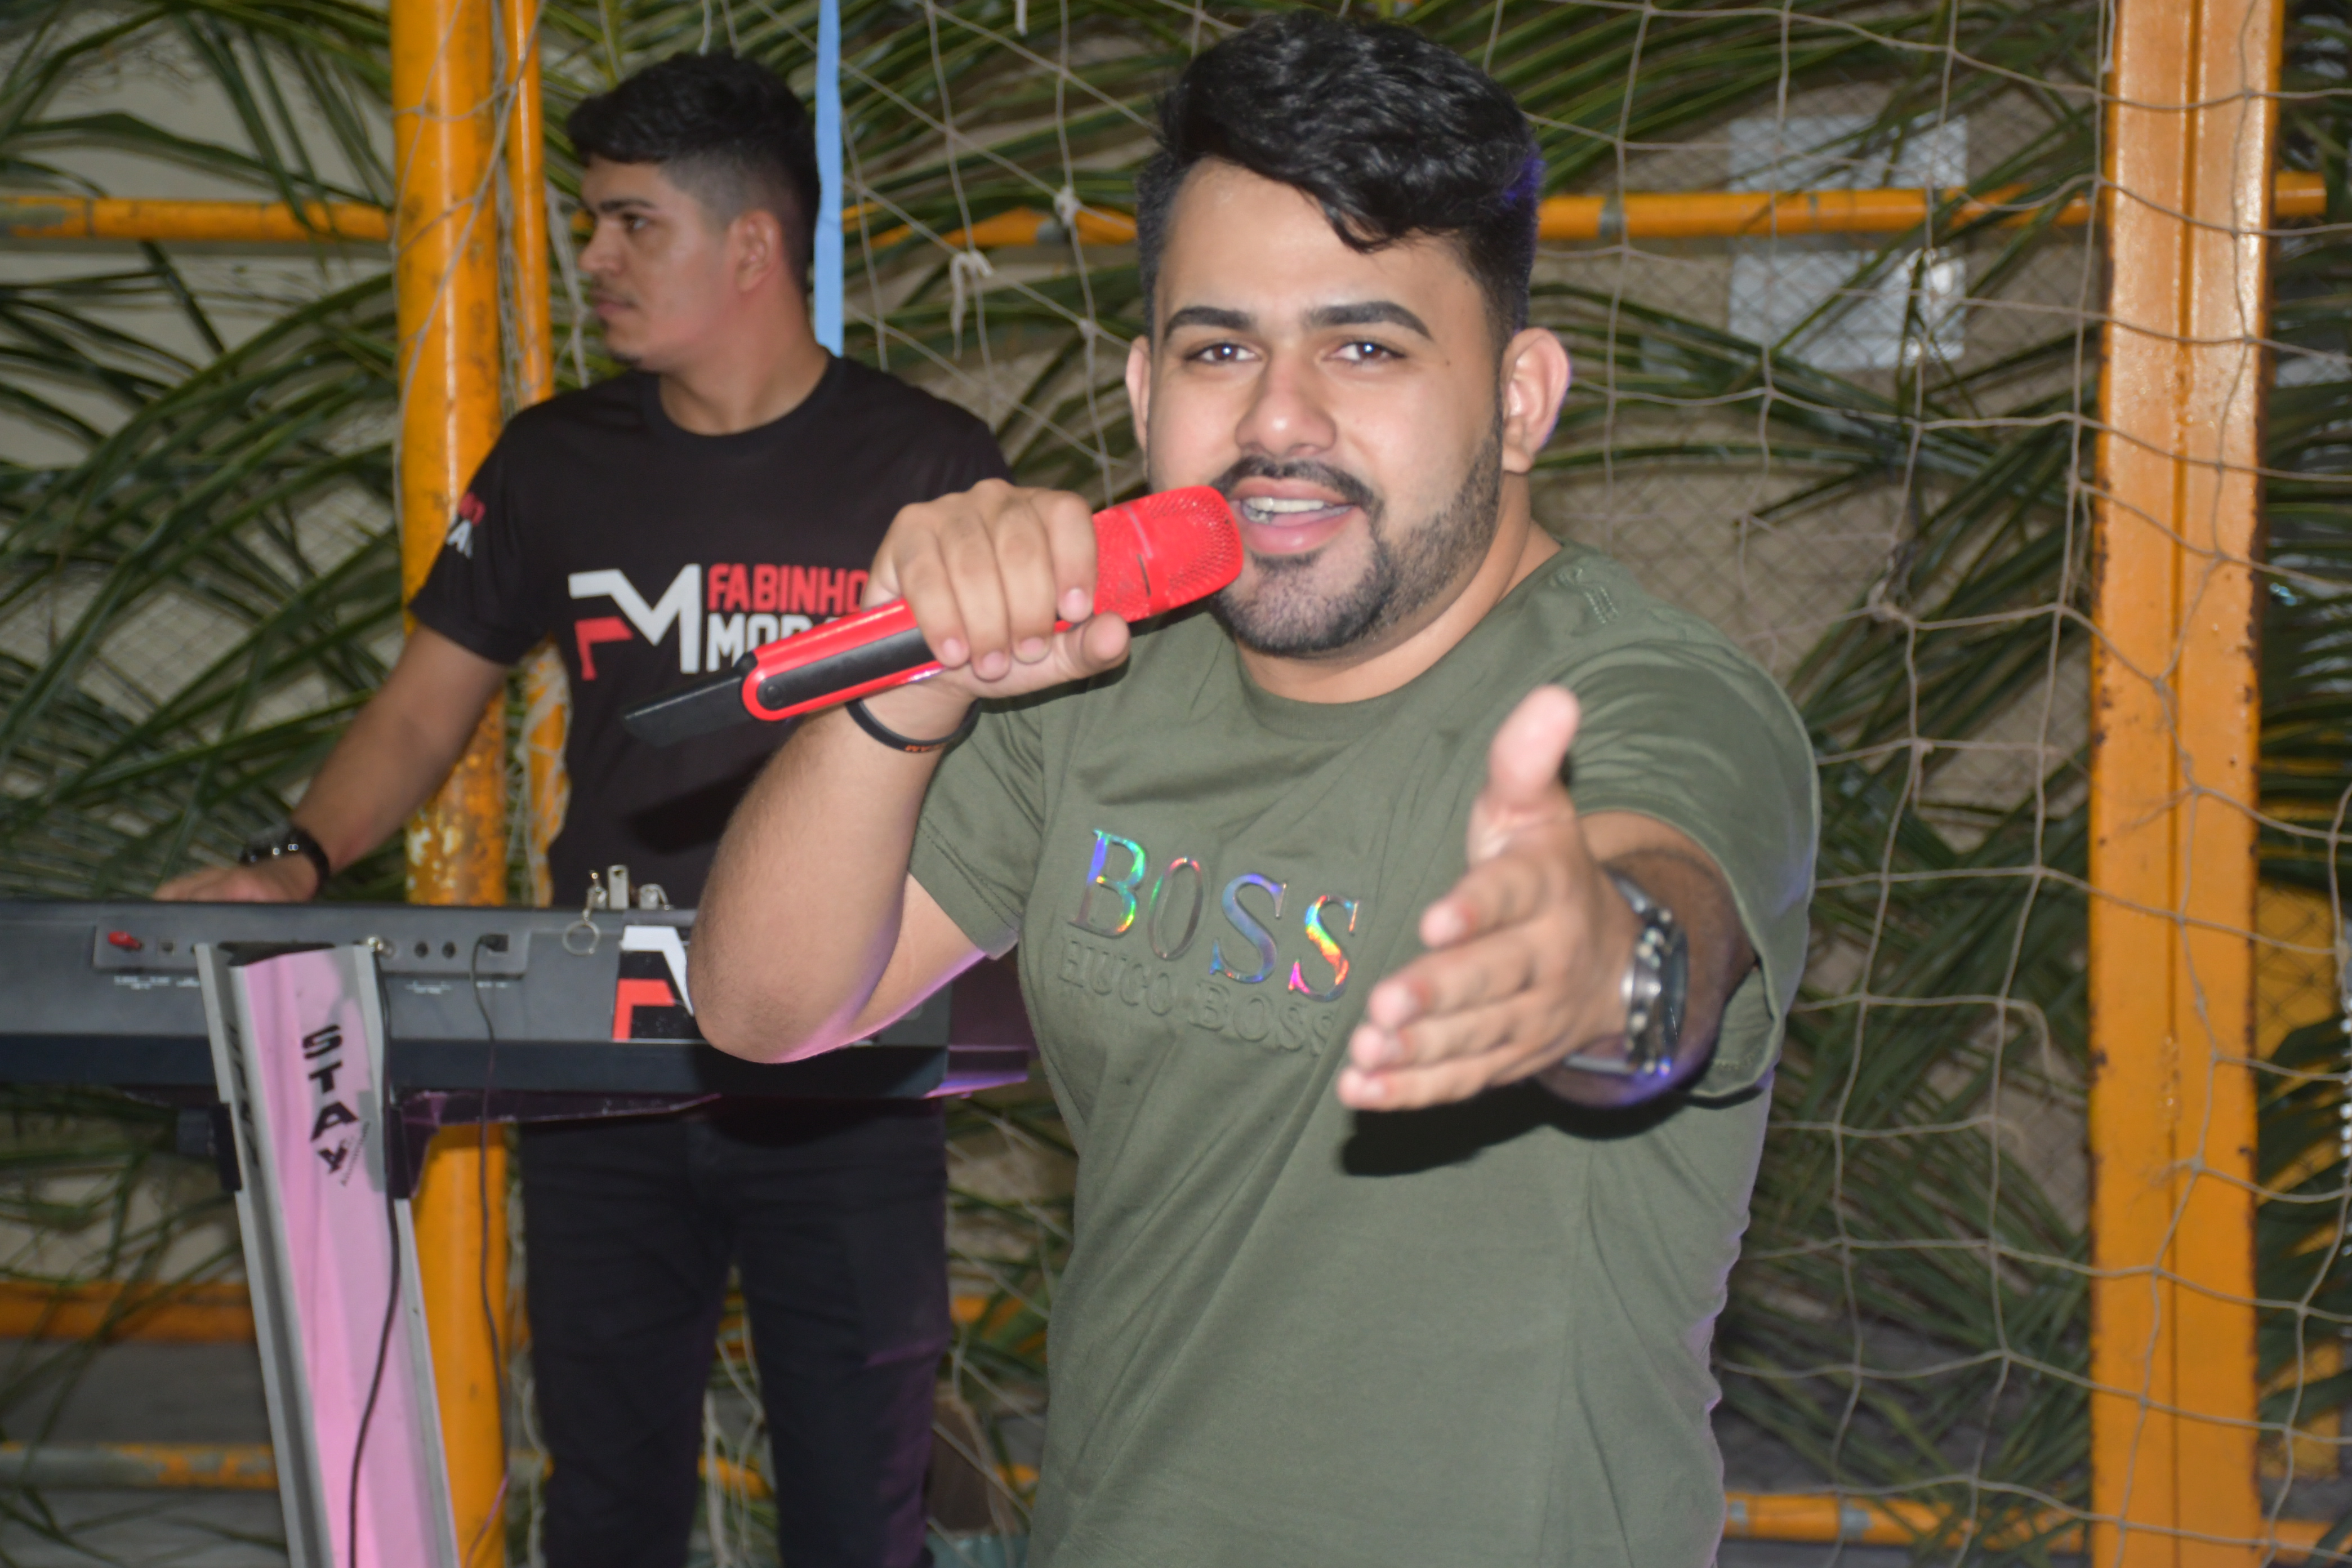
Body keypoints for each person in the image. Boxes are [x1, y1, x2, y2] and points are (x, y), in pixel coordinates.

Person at [689, 14, 1817, 1566]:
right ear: (1143, 387)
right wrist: (907, 688)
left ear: (1521, 398)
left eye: (1367, 347)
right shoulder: (1090, 672)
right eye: (1221, 350)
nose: (1280, 419)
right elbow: (762, 1012)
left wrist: (1580, 963)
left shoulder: (1656, 696)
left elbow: (1655, 937)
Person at [159, 51, 1004, 1568]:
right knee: (608, 1507)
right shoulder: (555, 462)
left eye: (631, 224)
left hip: (850, 1061)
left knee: (858, 1513)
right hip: (599, 1064)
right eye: (589, 222)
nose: (594, 259)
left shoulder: (933, 467)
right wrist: (293, 860)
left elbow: (1005, 755)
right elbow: (421, 709)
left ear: (752, 246)